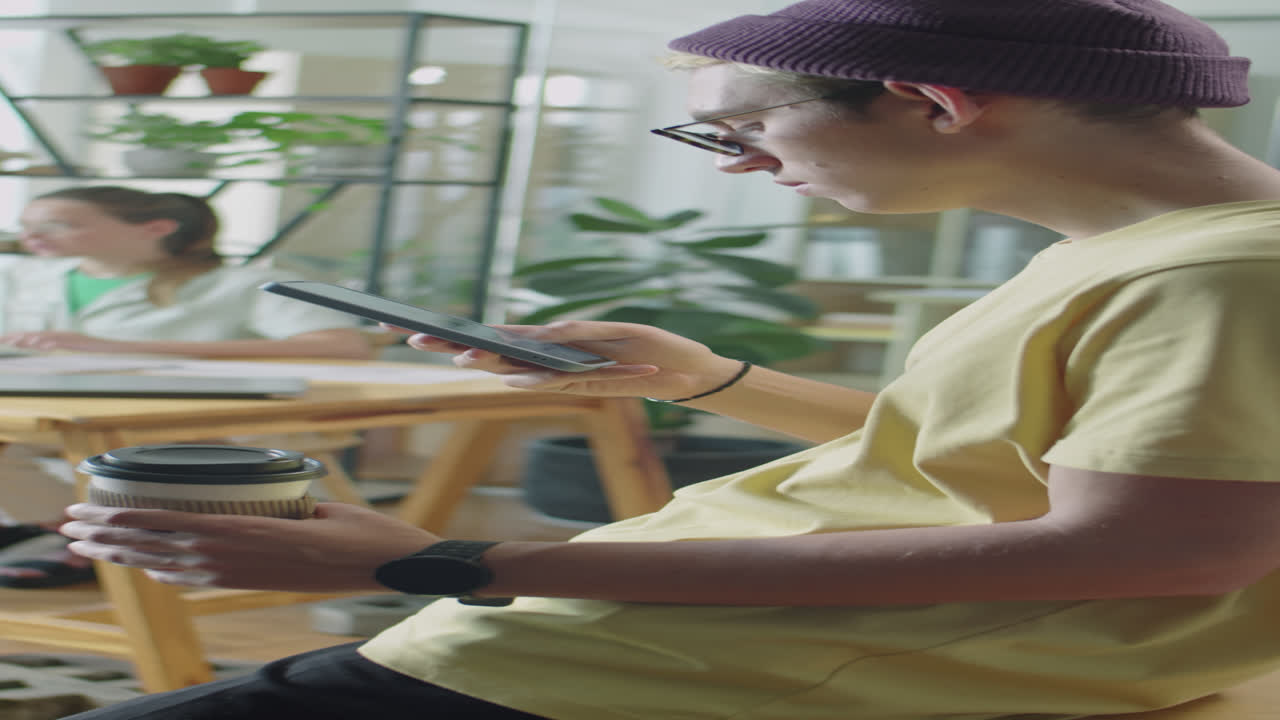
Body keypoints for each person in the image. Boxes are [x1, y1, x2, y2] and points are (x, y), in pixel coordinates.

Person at [56, 1, 1280, 718]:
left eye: (744, 127)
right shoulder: (1169, 255)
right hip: (655, 645)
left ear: (933, 101)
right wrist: (705, 381)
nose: (736, 161)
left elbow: (1159, 549)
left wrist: (446, 558)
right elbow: (1015, 466)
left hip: (704, 675)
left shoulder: (1218, 275)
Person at [0, 185, 371, 589]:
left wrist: (125, 350)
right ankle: (84, 531)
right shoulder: (23, 274)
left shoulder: (243, 284)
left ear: (156, 228)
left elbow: (341, 345)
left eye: (58, 225)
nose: (32, 237)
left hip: (198, 426)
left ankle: (108, 537)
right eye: (26, 226)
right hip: (55, 415)